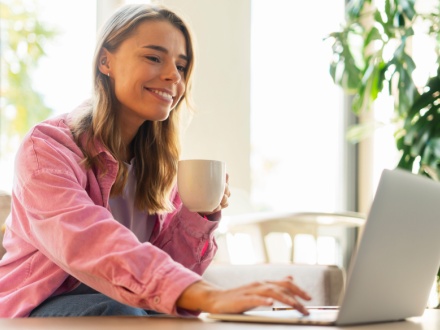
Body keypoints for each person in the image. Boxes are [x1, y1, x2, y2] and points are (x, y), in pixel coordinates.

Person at [0, 4, 311, 318]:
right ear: (105, 61)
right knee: (124, 315)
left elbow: (167, 277)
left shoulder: (160, 165)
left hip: (122, 308)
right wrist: (208, 296)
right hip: (34, 310)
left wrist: (197, 215)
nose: (173, 76)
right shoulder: (47, 149)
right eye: (153, 57)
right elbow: (88, 241)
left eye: (181, 65)